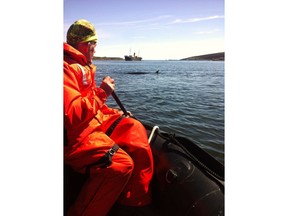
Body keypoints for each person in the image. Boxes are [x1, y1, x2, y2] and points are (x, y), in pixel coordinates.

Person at [64, 19, 155, 216]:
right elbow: (71, 115)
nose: (95, 49)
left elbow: (91, 105)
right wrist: (103, 92)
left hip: (90, 124)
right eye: (94, 44)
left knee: (133, 127)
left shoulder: (82, 65)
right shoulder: (64, 68)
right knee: (121, 164)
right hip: (74, 137)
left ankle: (134, 205)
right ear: (87, 44)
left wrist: (116, 113)